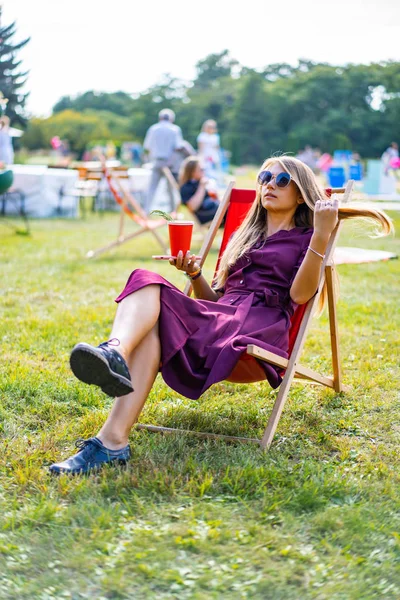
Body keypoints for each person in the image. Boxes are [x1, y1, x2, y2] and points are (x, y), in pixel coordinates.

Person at [49, 155, 393, 475]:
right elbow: (218, 299)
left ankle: (113, 379)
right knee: (145, 280)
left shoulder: (307, 237)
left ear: (302, 194)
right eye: (265, 177)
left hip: (256, 331)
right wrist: (196, 276)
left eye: (282, 179)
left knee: (153, 300)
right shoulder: (248, 236)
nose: (270, 183)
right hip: (219, 318)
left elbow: (300, 295)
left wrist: (322, 232)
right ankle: (113, 414)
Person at [143, 108, 183, 214]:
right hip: (169, 163)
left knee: (152, 187)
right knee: (171, 189)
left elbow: (147, 146)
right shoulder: (174, 129)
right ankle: (173, 212)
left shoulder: (153, 129)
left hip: (156, 161)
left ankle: (146, 211)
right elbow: (178, 146)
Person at [179, 155, 222, 225]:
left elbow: (215, 198)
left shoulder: (200, 182)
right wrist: (201, 187)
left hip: (215, 210)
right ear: (192, 172)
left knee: (233, 206)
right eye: (201, 169)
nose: (204, 171)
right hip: (205, 215)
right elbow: (192, 207)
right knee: (232, 210)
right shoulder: (186, 187)